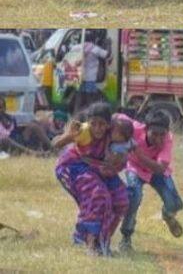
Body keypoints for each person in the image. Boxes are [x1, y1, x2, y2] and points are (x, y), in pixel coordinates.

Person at [53, 103, 129, 256]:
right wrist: (69, 136)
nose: (98, 128)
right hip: (75, 166)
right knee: (98, 196)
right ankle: (90, 243)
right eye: (94, 123)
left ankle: (104, 242)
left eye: (102, 124)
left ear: (108, 125)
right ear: (89, 123)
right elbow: (55, 144)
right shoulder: (85, 132)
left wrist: (115, 162)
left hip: (100, 168)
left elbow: (124, 155)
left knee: (121, 200)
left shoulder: (115, 132)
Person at [119, 113, 183, 252]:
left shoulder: (167, 140)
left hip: (156, 172)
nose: (159, 139)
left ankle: (167, 215)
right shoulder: (134, 128)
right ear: (145, 129)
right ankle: (126, 237)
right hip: (135, 168)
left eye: (162, 134)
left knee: (175, 204)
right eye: (154, 134)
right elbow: (117, 117)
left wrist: (139, 154)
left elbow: (160, 168)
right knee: (134, 196)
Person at [75, 31, 109, 112]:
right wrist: (109, 45)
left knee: (80, 98)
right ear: (92, 39)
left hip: (79, 78)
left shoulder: (77, 48)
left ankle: (78, 113)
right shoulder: (95, 49)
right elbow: (106, 55)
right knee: (90, 99)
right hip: (91, 78)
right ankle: (90, 113)